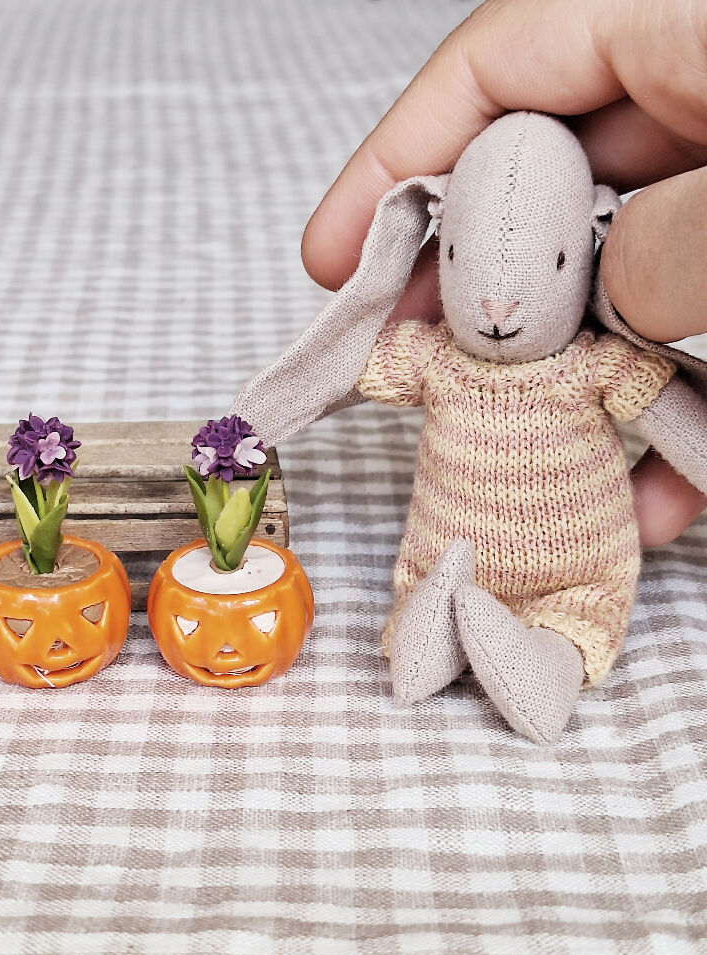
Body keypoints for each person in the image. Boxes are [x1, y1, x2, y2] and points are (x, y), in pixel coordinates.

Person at [300, 0, 707, 546]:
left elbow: (685, 430)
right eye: (457, 258)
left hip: (581, 569)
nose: (499, 306)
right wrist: (242, 434)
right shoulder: (431, 358)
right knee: (423, 623)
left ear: (599, 224)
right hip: (447, 563)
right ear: (437, 220)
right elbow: (337, 373)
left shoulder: (600, 366)